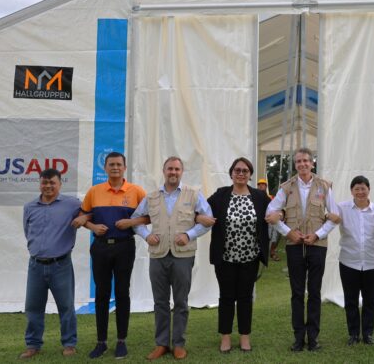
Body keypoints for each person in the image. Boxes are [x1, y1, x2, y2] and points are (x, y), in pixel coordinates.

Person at [125, 156, 214, 360]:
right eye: (169, 169)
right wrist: (147, 235)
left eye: (176, 169)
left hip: (183, 256)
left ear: (181, 172)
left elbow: (208, 221)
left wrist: (189, 235)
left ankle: (179, 344)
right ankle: (162, 344)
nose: (173, 172)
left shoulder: (193, 194)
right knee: (160, 302)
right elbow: (135, 221)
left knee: (181, 302)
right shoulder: (152, 197)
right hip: (158, 255)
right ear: (163, 171)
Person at [72, 151, 146, 359]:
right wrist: (93, 226)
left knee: (123, 293)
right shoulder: (94, 191)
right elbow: (81, 216)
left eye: (118, 164)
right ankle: (101, 342)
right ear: (105, 168)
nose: (115, 167)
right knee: (102, 294)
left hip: (125, 247)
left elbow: (149, 217)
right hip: (101, 247)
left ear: (124, 167)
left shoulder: (136, 191)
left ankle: (121, 341)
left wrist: (131, 223)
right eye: (111, 164)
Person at [266, 147, 339, 352]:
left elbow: (334, 216)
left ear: (312, 163)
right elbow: (270, 213)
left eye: (306, 161)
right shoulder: (286, 187)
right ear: (295, 165)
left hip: (317, 245)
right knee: (297, 293)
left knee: (314, 292)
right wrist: (288, 232)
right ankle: (298, 338)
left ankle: (313, 338)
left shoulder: (324, 186)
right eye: (298, 162)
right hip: (294, 246)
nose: (302, 164)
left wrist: (318, 234)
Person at [207, 158, 271, 353]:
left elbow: (277, 209)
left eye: (245, 170)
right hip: (225, 258)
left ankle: (245, 337)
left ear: (250, 174)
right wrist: (200, 217)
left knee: (245, 298)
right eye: (237, 170)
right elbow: (201, 208)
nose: (241, 173)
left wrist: (282, 214)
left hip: (249, 258)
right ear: (231, 173)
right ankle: (225, 337)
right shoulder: (221, 195)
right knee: (226, 297)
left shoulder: (260, 196)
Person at [20, 168, 82, 359]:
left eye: (52, 183)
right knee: (33, 307)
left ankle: (69, 344)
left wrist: (84, 218)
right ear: (40, 184)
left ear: (60, 184)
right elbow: (27, 231)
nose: (47, 186)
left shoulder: (72, 204)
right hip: (36, 265)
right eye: (44, 183)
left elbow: (89, 213)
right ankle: (33, 345)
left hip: (61, 265)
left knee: (66, 306)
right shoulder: (30, 207)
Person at [336, 175, 374, 346]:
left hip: (372, 262)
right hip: (348, 261)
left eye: (363, 188)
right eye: (357, 189)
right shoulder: (342, 208)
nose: (360, 192)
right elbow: (328, 214)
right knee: (351, 300)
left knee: (370, 300)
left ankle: (368, 334)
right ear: (352, 191)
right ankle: (354, 334)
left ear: (369, 190)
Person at [258, 177, 280, 261]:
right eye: (259, 185)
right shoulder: (254, 196)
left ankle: (272, 252)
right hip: (260, 221)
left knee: (273, 237)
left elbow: (276, 207)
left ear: (266, 186)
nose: (261, 186)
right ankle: (263, 253)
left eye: (263, 184)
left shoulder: (271, 197)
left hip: (269, 220)